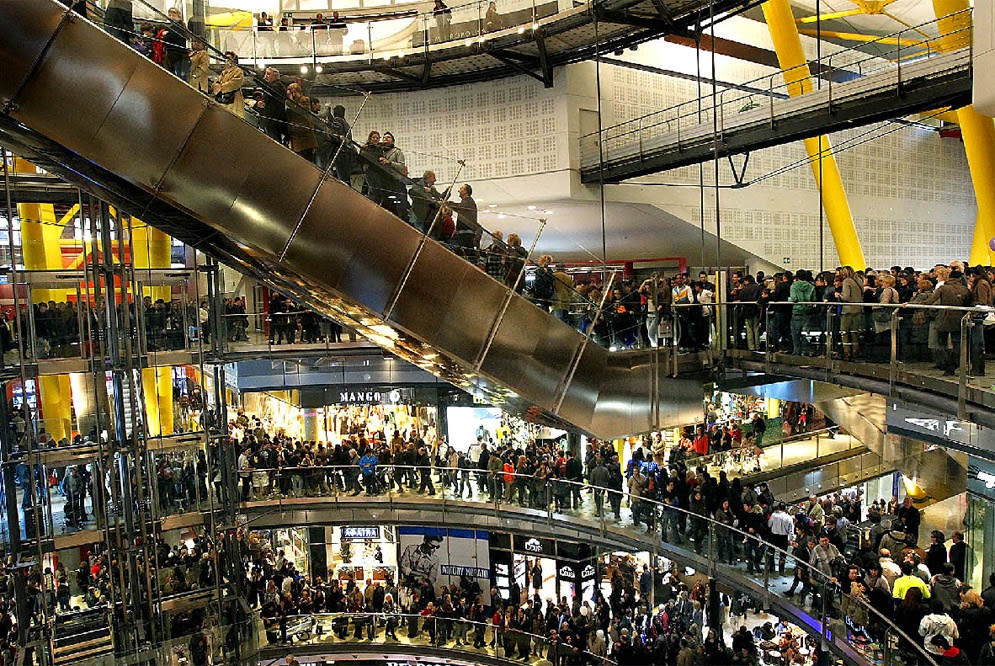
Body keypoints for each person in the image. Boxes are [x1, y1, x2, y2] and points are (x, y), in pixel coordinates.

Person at [379, 132, 408, 218]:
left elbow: (402, 165)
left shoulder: (397, 152)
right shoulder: (380, 151)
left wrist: (390, 163)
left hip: (396, 180)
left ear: (393, 140)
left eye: (388, 137)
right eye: (384, 138)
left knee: (400, 206)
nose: (386, 139)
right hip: (385, 181)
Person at [286, 83, 317, 163]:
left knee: (308, 160)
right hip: (296, 135)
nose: (293, 94)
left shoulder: (305, 99)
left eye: (293, 92)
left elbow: (300, 110)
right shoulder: (289, 102)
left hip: (305, 134)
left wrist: (291, 101)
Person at [450, 184, 480, 258]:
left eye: (461, 189)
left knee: (467, 253)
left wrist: (448, 203)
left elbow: (459, 207)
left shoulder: (468, 201)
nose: (458, 191)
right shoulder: (467, 201)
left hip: (466, 233)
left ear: (465, 191)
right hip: (465, 233)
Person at [213, 52, 245, 118]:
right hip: (223, 101)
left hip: (234, 101)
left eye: (229, 59)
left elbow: (235, 83)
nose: (227, 61)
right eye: (226, 59)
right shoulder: (224, 72)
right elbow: (216, 82)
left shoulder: (238, 71)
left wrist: (221, 87)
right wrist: (216, 86)